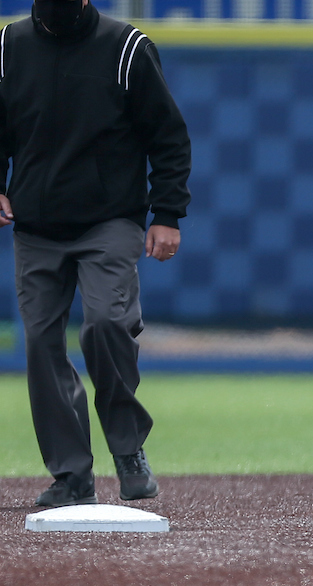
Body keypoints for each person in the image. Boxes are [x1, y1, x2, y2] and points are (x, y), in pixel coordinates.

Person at [0, 0, 191, 507]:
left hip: (109, 220)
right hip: (36, 225)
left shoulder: (125, 47)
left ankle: (127, 450)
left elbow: (168, 136)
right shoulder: (8, 47)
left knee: (105, 323)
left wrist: (168, 213)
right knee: (41, 343)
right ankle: (71, 475)